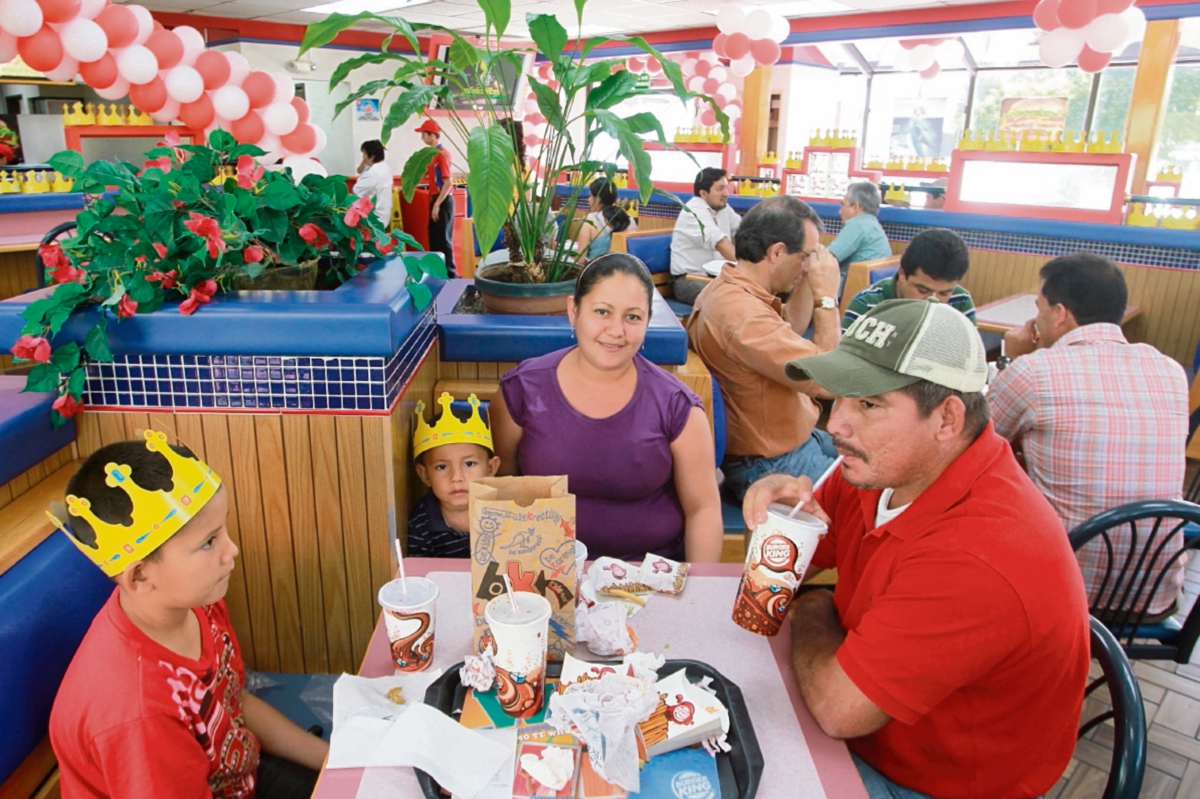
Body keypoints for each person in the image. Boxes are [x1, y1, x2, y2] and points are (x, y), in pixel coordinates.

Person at [745, 299, 1090, 799]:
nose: (835, 425)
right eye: (839, 396)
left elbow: (839, 710)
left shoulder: (982, 552)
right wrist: (778, 520)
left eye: (868, 404)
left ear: (947, 418)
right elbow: (777, 581)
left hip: (934, 782)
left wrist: (815, 608)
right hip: (864, 727)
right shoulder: (878, 467)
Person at [49, 431, 329, 798]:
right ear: (140, 575)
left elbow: (234, 703)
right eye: (209, 542)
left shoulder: (197, 600)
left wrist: (335, 760)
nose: (233, 550)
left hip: (242, 776)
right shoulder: (137, 713)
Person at [990, 252, 1189, 617]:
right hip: (1155, 593)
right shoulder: (1170, 369)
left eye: (1039, 307)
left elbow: (978, 439)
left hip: (1062, 592)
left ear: (1060, 313)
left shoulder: (1034, 371)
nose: (1035, 317)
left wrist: (1012, 359)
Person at [490, 253, 723, 563]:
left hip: (647, 577)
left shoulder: (677, 406)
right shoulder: (521, 390)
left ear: (647, 322)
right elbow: (503, 492)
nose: (616, 330)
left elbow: (703, 509)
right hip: (542, 574)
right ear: (573, 310)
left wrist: (698, 599)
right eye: (602, 312)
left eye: (633, 317)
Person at [687, 196, 842, 501]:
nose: (808, 265)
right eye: (805, 256)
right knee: (876, 498)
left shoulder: (733, 290)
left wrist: (808, 281)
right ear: (777, 252)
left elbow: (792, 330)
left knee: (877, 456)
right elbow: (830, 380)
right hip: (770, 464)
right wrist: (827, 297)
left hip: (794, 440)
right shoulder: (743, 314)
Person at [407, 392, 501, 558]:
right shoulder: (421, 524)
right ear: (425, 475)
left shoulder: (506, 508)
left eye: (469, 464)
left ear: (491, 468)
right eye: (442, 467)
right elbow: (419, 577)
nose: (457, 477)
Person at [841, 227, 976, 333]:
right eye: (922, 290)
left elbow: (971, 358)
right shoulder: (867, 304)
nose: (933, 301)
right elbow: (845, 362)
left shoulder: (961, 300)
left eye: (944, 294)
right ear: (902, 273)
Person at [669, 167, 740, 306]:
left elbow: (744, 231)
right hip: (687, 281)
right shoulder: (693, 211)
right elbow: (720, 242)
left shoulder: (723, 208)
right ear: (703, 193)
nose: (726, 193)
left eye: (726, 188)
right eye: (720, 189)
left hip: (716, 277)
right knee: (730, 300)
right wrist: (746, 272)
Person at [827, 182, 892, 286]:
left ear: (855, 207)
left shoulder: (858, 225)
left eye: (843, 205)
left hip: (848, 294)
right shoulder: (871, 224)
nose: (839, 212)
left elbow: (825, 259)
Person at [415, 119, 456, 277]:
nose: (422, 138)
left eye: (424, 134)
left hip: (443, 200)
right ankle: (437, 274)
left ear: (432, 135)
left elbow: (448, 182)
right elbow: (426, 175)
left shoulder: (441, 154)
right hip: (436, 199)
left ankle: (450, 275)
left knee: (443, 239)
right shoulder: (431, 155)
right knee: (435, 239)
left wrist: (437, 204)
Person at [575, 178, 636, 262]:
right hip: (626, 272)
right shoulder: (630, 220)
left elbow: (580, 261)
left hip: (597, 273)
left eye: (590, 196)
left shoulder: (590, 220)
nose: (588, 200)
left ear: (598, 199)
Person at [353, 139, 394, 228]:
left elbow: (356, 190)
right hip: (384, 215)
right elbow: (359, 170)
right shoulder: (385, 168)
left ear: (372, 156)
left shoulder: (372, 174)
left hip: (373, 217)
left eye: (364, 154)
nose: (363, 157)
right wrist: (365, 160)